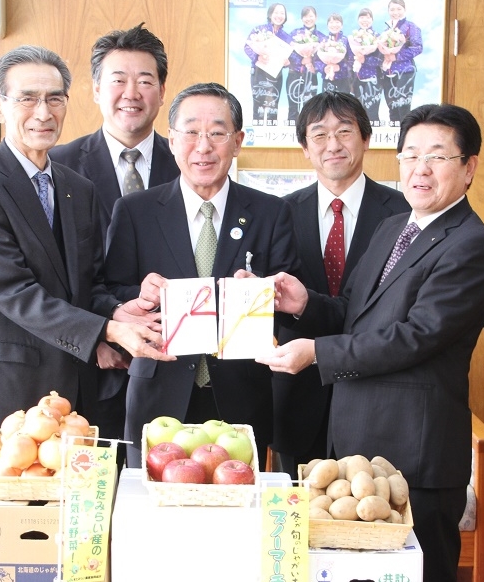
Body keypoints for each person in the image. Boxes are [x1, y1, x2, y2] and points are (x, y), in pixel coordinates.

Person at [259, 103, 484, 582]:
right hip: (358, 443)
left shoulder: (472, 244)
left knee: (421, 570)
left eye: (437, 157)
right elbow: (353, 312)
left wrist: (317, 353)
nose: (420, 170)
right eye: (409, 156)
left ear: (469, 167)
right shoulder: (397, 227)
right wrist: (302, 304)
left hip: (415, 448)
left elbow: (415, 337)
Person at [0, 46, 171, 490]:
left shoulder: (77, 188)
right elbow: (14, 292)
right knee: (10, 548)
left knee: (81, 543)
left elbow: (90, 283)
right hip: (12, 400)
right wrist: (106, 331)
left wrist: (122, 310)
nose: (43, 112)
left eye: (55, 98)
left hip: (79, 400)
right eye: (27, 98)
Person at [102, 82, 299, 468]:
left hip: (243, 397)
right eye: (191, 132)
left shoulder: (271, 213)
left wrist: (266, 296)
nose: (203, 146)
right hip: (160, 393)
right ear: (172, 140)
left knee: (239, 514)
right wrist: (135, 300)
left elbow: (291, 308)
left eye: (217, 133)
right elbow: (105, 292)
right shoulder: (134, 211)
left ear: (238, 141)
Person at [51, 24, 181, 447]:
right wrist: (98, 334)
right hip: (88, 367)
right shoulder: (57, 167)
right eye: (118, 80)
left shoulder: (190, 165)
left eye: (145, 81)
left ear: (162, 90)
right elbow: (54, 272)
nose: (132, 92)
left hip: (173, 365)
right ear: (95, 89)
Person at [271, 91, 409, 473]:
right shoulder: (278, 213)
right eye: (319, 135)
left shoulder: (402, 213)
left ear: (366, 139)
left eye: (344, 132)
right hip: (298, 394)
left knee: (369, 512)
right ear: (304, 147)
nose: (333, 145)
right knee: (298, 521)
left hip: (377, 392)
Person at [244, 3, 293, 124]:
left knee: (273, 102)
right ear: (270, 14)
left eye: (282, 13)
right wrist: (257, 57)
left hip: (276, 74)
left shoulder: (287, 37)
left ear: (285, 16)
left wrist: (288, 62)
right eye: (276, 12)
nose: (279, 16)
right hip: (258, 72)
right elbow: (247, 47)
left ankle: (271, 127)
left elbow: (292, 59)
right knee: (258, 100)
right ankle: (257, 123)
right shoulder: (259, 30)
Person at [378, 0, 423, 123]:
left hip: (405, 71)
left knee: (403, 105)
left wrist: (396, 56)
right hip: (388, 71)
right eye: (392, 9)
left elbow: (418, 47)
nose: (395, 12)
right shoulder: (385, 29)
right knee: (391, 106)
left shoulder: (411, 26)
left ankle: (405, 137)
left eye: (399, 9)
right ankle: (394, 138)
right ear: (388, 11)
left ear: (404, 10)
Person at [286, 6, 324, 125]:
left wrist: (312, 63)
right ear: (302, 18)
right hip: (294, 74)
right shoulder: (294, 34)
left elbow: (323, 57)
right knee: (293, 105)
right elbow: (288, 52)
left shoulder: (322, 37)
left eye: (311, 16)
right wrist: (301, 61)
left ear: (316, 18)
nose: (308, 19)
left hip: (311, 75)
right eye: (305, 16)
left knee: (309, 107)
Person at [350, 8, 385, 123]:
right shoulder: (353, 37)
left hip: (373, 79)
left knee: (372, 112)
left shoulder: (378, 37)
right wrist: (356, 60)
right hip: (356, 79)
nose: (365, 20)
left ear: (372, 20)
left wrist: (364, 59)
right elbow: (348, 59)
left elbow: (380, 59)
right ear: (358, 19)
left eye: (368, 17)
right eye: (362, 17)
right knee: (357, 113)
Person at [315, 13, 354, 95]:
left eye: (337, 22)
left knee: (343, 107)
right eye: (331, 22)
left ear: (342, 25)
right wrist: (324, 68)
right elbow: (316, 61)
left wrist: (339, 67)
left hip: (343, 80)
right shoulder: (323, 41)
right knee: (327, 106)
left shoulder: (346, 41)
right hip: (327, 80)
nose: (334, 25)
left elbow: (352, 61)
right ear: (327, 25)